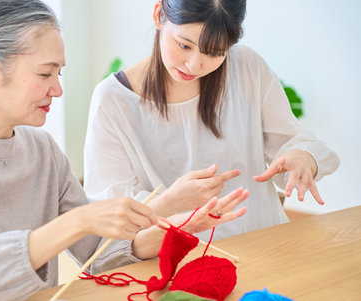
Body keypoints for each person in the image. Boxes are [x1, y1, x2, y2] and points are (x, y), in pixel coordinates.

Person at [0, 0, 249, 300]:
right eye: (45, 73)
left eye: (59, 73)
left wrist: (176, 228)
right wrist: (79, 220)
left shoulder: (41, 151)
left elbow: (100, 254)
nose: (57, 90)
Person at [84, 0, 340, 242]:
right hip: (177, 259)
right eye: (184, 45)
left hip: (264, 242)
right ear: (159, 15)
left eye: (215, 52)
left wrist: (303, 157)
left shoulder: (247, 67)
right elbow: (109, 208)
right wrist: (171, 201)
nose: (194, 65)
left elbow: (293, 142)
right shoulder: (114, 100)